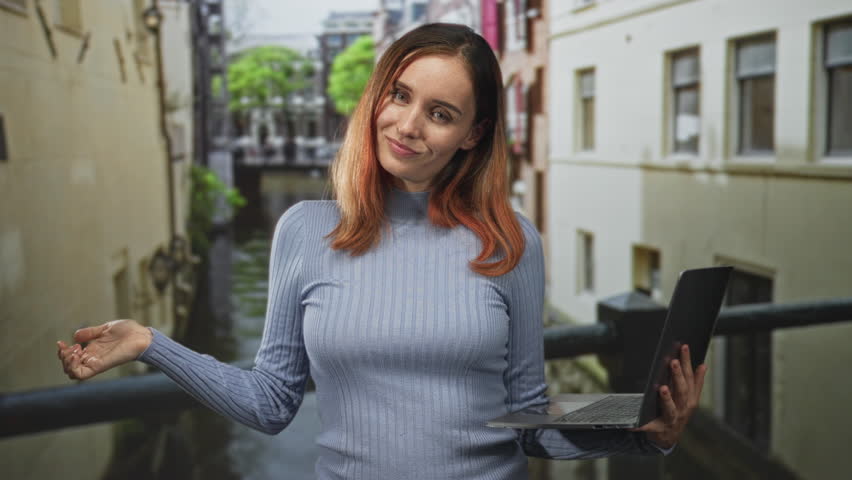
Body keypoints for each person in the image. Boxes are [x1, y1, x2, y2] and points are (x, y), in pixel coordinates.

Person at [57, 23, 706, 480]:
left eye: (441, 113)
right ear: (377, 99)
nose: (408, 125)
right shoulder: (303, 232)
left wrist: (638, 428)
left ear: (473, 135)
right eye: (400, 96)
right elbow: (271, 402)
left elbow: (530, 416)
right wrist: (151, 343)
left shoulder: (510, 239)